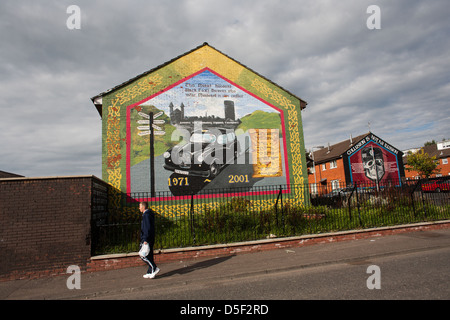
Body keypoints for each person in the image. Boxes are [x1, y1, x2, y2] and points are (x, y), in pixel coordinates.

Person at [139, 201, 160, 279]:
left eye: (140, 206)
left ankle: (154, 268)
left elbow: (147, 228)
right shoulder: (147, 214)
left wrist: (145, 238)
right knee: (149, 254)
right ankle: (150, 271)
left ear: (143, 207)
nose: (139, 208)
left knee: (143, 255)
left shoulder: (146, 215)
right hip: (149, 237)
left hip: (147, 238)